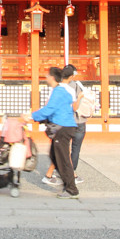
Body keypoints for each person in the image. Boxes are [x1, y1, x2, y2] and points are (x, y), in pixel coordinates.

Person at [24, 66, 80, 199]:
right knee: (55, 156)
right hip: (65, 126)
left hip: (63, 128)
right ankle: (68, 184)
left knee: (63, 158)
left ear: (53, 78)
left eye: (48, 76)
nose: (46, 78)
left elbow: (49, 109)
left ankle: (71, 189)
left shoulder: (59, 92)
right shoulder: (62, 91)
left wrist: (31, 116)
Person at [43, 64, 88, 186]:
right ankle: (60, 177)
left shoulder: (56, 86)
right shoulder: (71, 88)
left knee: (62, 150)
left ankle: (63, 175)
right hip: (66, 122)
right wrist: (79, 98)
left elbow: (48, 103)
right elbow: (74, 107)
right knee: (64, 151)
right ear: (71, 76)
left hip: (58, 123)